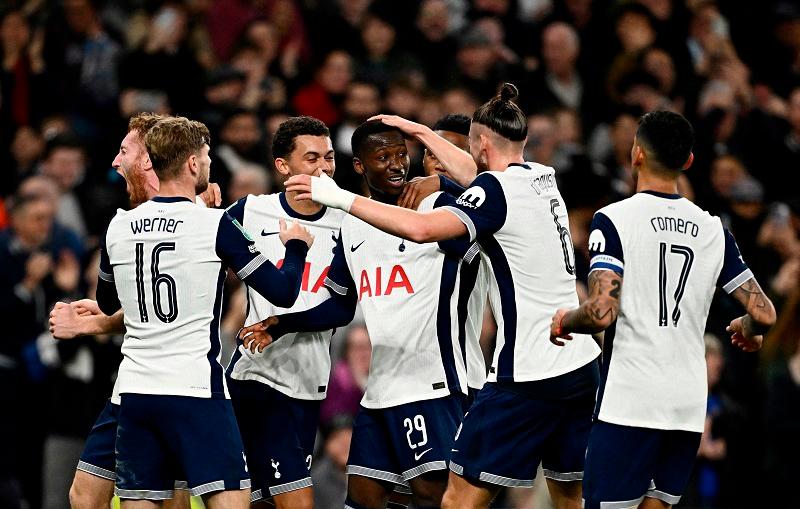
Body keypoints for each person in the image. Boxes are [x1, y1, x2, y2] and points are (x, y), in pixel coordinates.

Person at [285, 83, 601, 509]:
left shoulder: (475, 197)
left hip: (518, 371)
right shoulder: (542, 178)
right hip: (577, 364)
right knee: (569, 496)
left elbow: (422, 228)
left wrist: (338, 197)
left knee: (454, 501)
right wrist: (417, 129)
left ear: (481, 144)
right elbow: (476, 174)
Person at [549, 110, 776, 509]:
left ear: (636, 154)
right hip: (686, 406)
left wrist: (566, 319)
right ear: (688, 161)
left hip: (630, 402)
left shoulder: (615, 220)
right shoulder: (713, 230)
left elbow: (602, 311)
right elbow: (765, 313)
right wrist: (748, 327)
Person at [258, 119, 481, 508]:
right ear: (359, 167)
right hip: (379, 390)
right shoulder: (355, 225)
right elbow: (342, 306)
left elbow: (489, 200)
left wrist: (444, 184)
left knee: (436, 496)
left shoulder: (440, 210)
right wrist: (282, 323)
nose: (398, 165)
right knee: (361, 498)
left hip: (433, 383)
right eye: (383, 157)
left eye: (401, 154)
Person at [94, 116, 313, 507]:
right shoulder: (215, 224)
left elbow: (110, 304)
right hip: (195, 389)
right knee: (231, 499)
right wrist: (296, 246)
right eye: (207, 156)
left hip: (136, 391)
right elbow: (283, 291)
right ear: (193, 163)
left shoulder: (118, 226)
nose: (209, 164)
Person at [49, 113, 220, 509]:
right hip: (135, 382)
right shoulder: (129, 222)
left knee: (168, 498)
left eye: (124, 151)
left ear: (148, 160)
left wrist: (95, 325)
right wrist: (101, 320)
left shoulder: (199, 220)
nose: (114, 161)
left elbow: (174, 312)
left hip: (180, 384)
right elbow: (148, 308)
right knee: (86, 496)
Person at [224, 116, 349, 509]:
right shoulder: (248, 212)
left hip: (309, 382)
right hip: (255, 375)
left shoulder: (350, 221)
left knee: (264, 502)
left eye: (328, 157)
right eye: (311, 158)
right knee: (291, 499)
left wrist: (280, 325)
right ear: (283, 166)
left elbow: (342, 308)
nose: (324, 167)